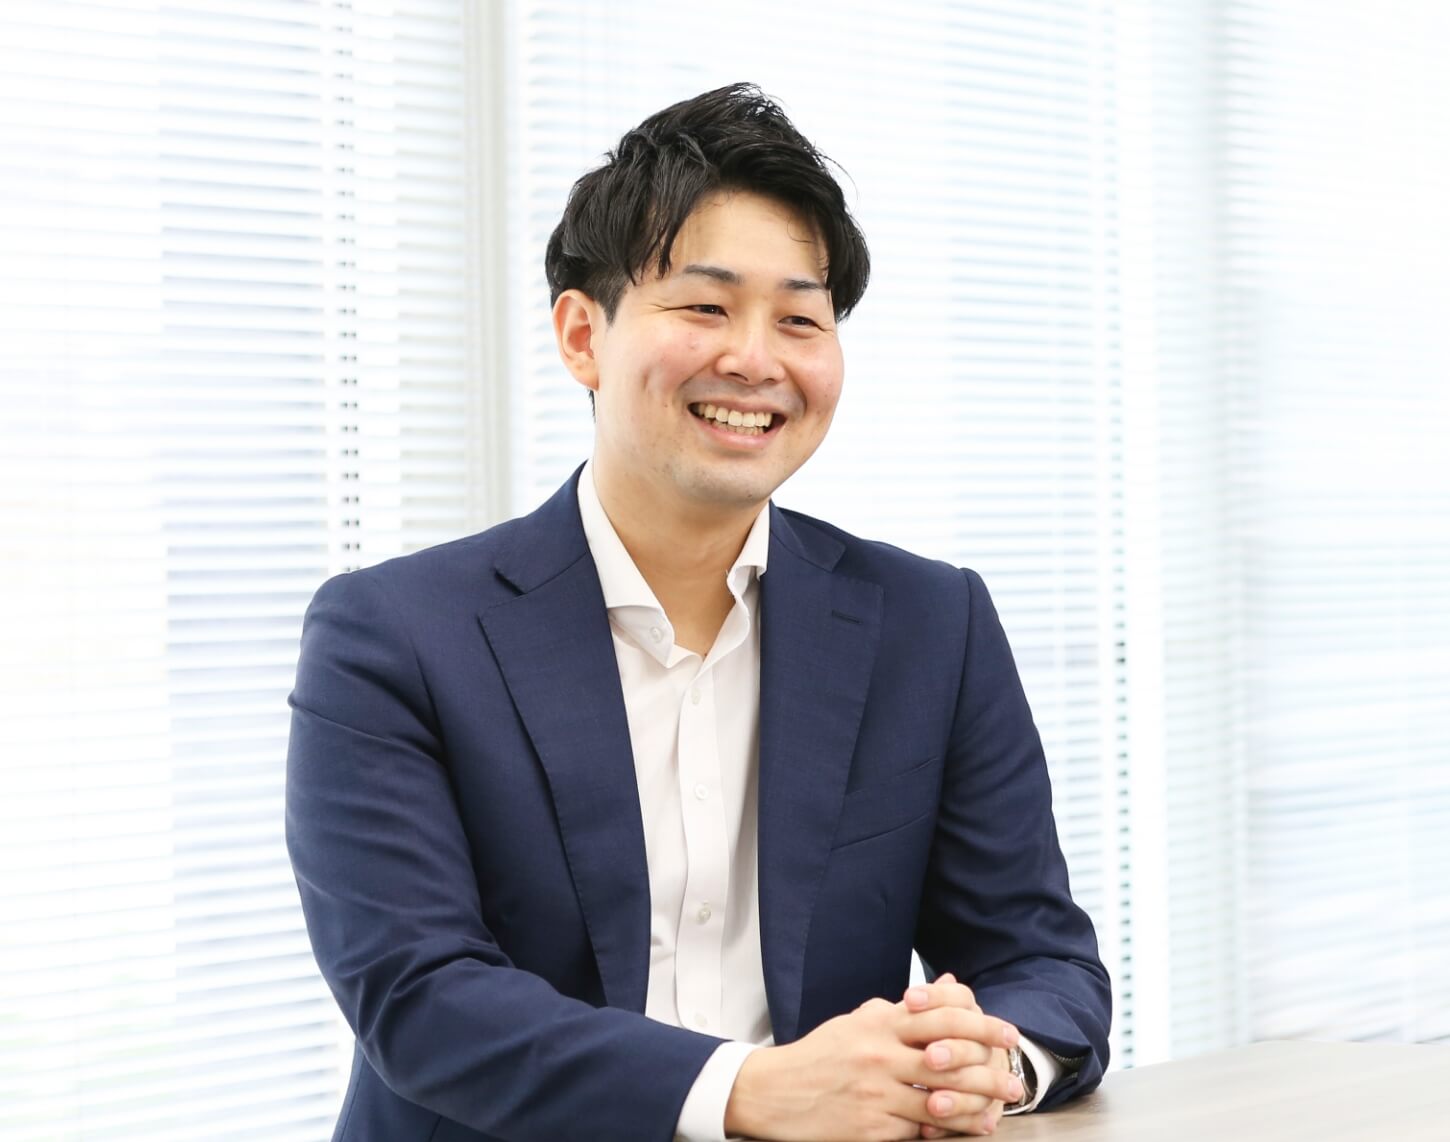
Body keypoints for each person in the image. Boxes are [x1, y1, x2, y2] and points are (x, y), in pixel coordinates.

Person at [286, 83, 1110, 1142]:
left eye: (799, 319)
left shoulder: (929, 623)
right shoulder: (393, 636)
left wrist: (983, 1057)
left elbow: (1038, 957)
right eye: (705, 308)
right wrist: (750, 1090)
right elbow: (422, 999)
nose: (755, 361)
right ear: (582, 336)